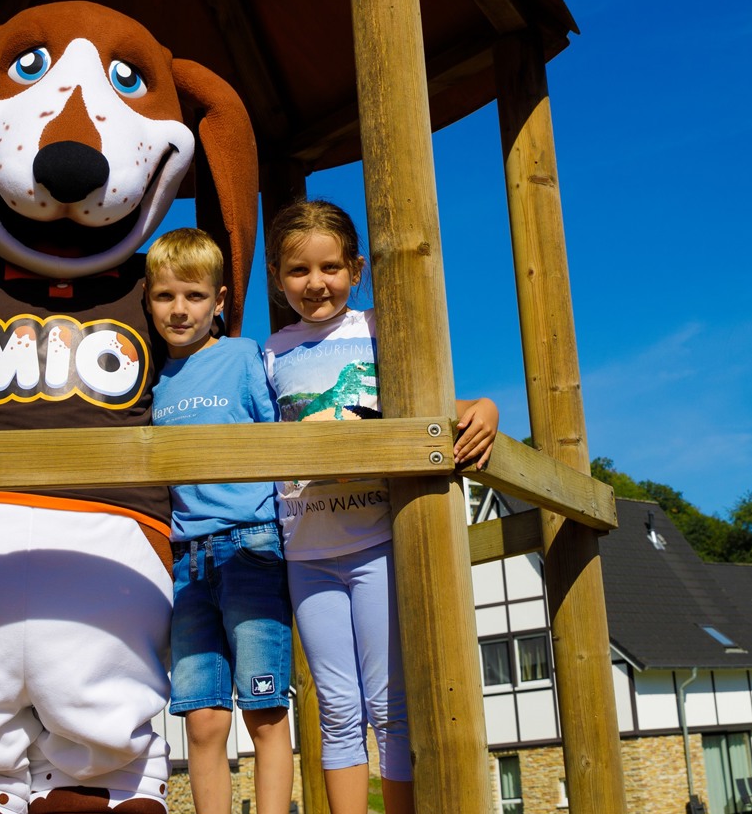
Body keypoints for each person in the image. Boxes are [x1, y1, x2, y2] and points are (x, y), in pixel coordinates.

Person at [262, 200, 498, 814]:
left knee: (390, 705)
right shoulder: (270, 353)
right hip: (307, 549)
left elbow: (433, 401)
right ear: (278, 277)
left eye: (331, 267)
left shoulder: (377, 330)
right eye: (298, 272)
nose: (316, 284)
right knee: (337, 708)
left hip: (376, 541)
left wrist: (485, 408)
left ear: (356, 269)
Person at [147, 229, 292, 814]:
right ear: (148, 301)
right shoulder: (153, 380)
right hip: (186, 558)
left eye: (194, 296)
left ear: (220, 300)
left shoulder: (241, 355)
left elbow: (280, 433)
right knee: (203, 718)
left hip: (251, 545)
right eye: (164, 296)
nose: (179, 309)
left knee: (263, 709)